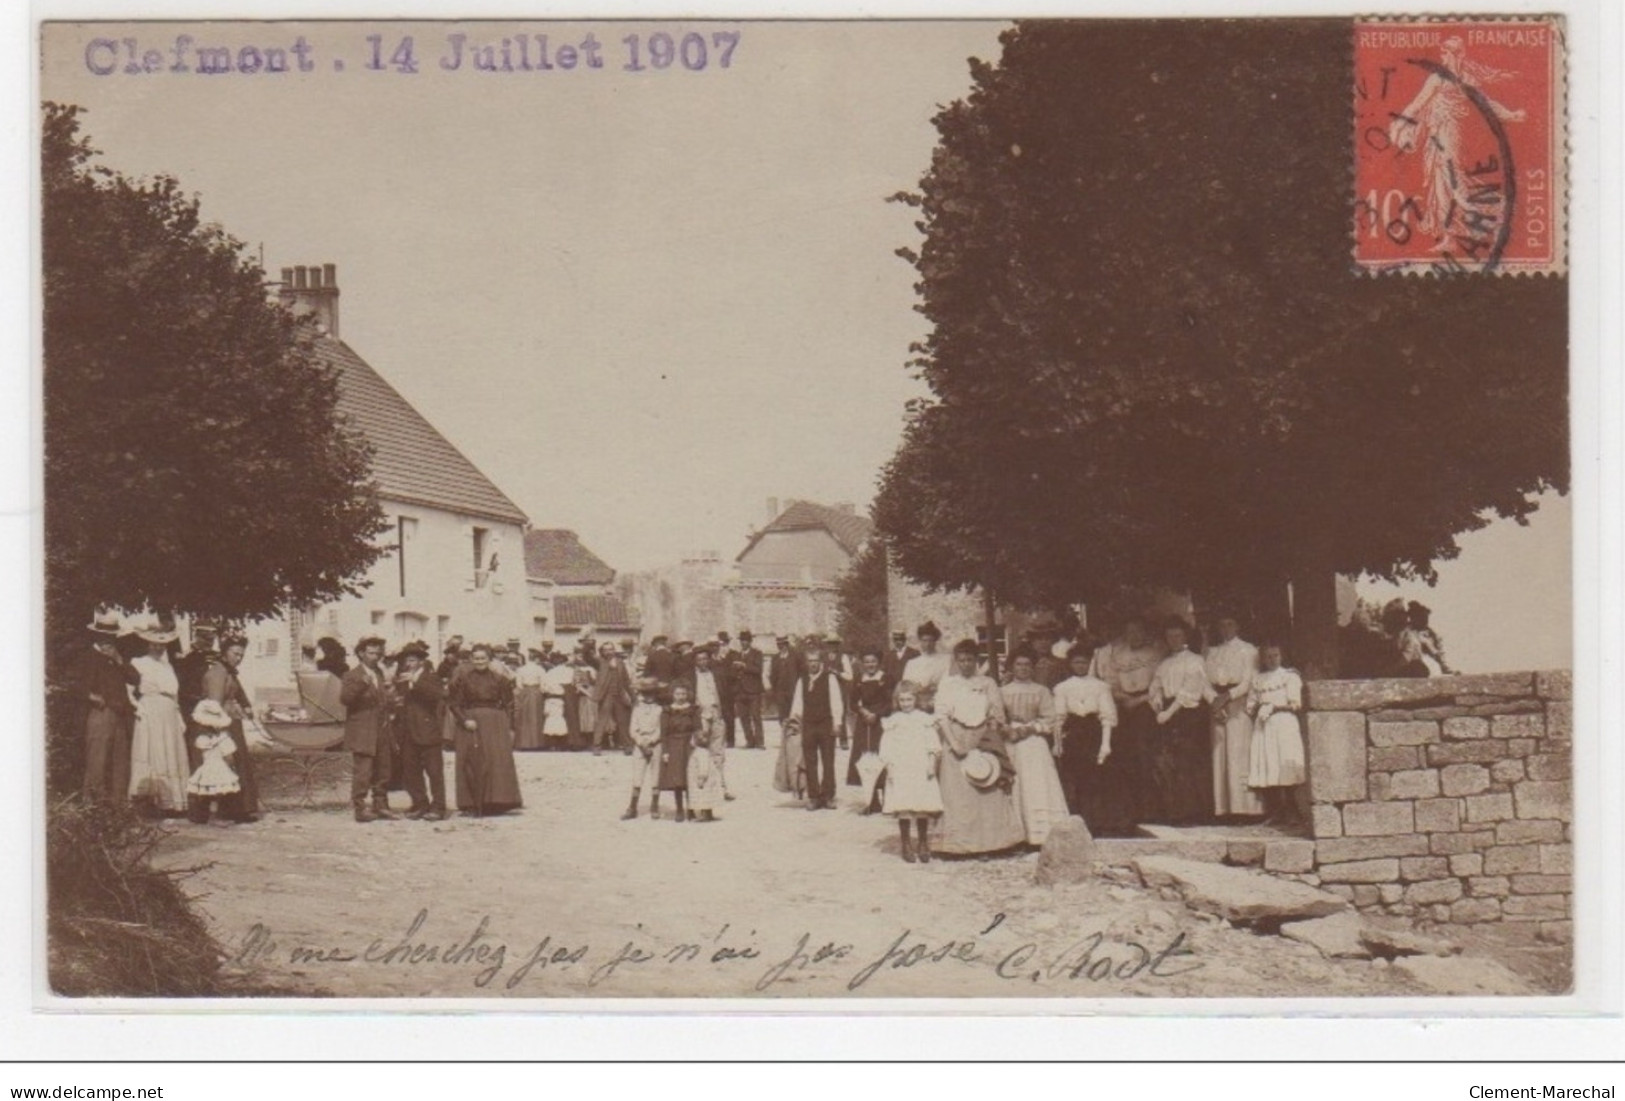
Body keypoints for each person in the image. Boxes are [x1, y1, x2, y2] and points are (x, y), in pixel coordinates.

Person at [933, 640, 1024, 855]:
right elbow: (942, 716)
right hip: (955, 736)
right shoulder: (948, 684)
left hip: (982, 736)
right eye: (961, 660)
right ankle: (959, 845)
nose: (965, 664)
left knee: (986, 788)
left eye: (970, 659)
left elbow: (996, 714)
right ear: (956, 661)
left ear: (977, 660)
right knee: (958, 793)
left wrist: (987, 739)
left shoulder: (987, 683)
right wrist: (954, 743)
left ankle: (990, 844)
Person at [1089, 616, 1165, 825]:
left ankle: (1152, 810)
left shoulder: (1155, 653)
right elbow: (1112, 683)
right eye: (1130, 632)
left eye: (1138, 631)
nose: (1135, 636)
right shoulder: (1118, 655)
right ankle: (1131, 810)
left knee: (1146, 756)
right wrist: (1124, 699)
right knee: (1125, 757)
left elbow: (1159, 681)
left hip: (1146, 706)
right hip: (1123, 705)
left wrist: (1141, 699)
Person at [1052, 645, 1130, 836]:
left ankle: (1099, 822)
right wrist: (1057, 743)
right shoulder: (1062, 688)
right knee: (1075, 778)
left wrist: (1106, 744)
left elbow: (1108, 716)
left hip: (1093, 733)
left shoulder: (1101, 686)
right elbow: (1058, 718)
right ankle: (1078, 821)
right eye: (1077, 662)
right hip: (1073, 734)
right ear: (1070, 664)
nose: (1081, 666)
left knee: (1098, 778)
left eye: (1084, 662)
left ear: (1090, 663)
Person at [1149, 618, 1215, 826]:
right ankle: (1174, 811)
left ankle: (1194, 812)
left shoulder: (1195, 660)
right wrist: (1157, 699)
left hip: (1188, 715)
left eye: (1177, 635)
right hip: (1168, 712)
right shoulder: (1164, 663)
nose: (1174, 640)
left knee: (1189, 763)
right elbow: (1156, 686)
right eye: (1169, 637)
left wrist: (1168, 713)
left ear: (1185, 636)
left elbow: (1190, 690)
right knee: (1168, 763)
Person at [1000, 649, 1070, 846]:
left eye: (1027, 665)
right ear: (1012, 667)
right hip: (1012, 740)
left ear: (1032, 668)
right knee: (1015, 783)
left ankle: (1039, 834)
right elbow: (997, 717)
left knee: (1036, 784)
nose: (1023, 669)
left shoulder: (1041, 690)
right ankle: (1015, 835)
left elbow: (1050, 719)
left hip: (1034, 742)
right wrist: (1007, 730)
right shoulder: (1003, 691)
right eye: (1019, 665)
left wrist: (1030, 729)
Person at [448, 643, 524, 815]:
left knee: (496, 760)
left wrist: (510, 726)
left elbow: (509, 704)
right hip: (471, 723)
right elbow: (454, 704)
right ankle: (471, 802)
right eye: (476, 658)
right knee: (471, 761)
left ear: (489, 660)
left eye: (483, 658)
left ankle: (498, 801)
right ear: (471, 660)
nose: (479, 661)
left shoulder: (500, 679)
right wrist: (464, 719)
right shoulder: (463, 679)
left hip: (495, 723)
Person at [127, 620, 189, 815]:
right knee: (153, 752)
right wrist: (138, 707)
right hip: (151, 710)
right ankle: (151, 801)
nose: (159, 647)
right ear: (147, 643)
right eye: (154, 643)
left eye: (162, 644)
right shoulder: (139, 663)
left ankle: (172, 802)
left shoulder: (167, 666)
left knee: (170, 751)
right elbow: (128, 690)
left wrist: (178, 716)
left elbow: (175, 694)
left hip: (169, 711)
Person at [1205, 614, 1263, 819]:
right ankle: (1224, 809)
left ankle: (1246, 809)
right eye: (1222, 624)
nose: (1226, 628)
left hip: (1238, 702)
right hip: (1217, 705)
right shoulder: (1213, 652)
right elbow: (1204, 680)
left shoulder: (1249, 650)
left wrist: (1228, 696)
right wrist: (1214, 700)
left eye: (1230, 623)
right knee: (1220, 754)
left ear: (1238, 625)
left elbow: (1249, 680)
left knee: (1239, 754)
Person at [877, 682, 942, 863]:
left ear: (916, 699)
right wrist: (889, 766)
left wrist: (931, 762)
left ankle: (922, 842)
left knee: (922, 804)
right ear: (897, 701)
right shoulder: (894, 720)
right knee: (904, 804)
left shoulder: (924, 719)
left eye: (909, 699)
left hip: (920, 764)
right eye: (902, 700)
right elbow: (887, 746)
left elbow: (932, 743)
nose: (906, 703)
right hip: (901, 765)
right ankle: (906, 843)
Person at [77, 612, 137, 803]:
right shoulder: (88, 656)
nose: (107, 640)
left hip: (120, 713)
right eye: (103, 636)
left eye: (111, 636)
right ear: (96, 636)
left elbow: (135, 679)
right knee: (97, 758)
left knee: (120, 759)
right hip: (101, 713)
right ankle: (93, 804)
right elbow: (77, 686)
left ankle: (117, 804)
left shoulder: (116, 657)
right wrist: (93, 697)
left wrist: (119, 659)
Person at [1246, 642, 1307, 826]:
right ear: (1262, 659)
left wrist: (1275, 706)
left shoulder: (1289, 676)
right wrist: (1260, 707)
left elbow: (1296, 704)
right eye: (1268, 656)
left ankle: (1292, 810)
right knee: (1269, 763)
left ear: (1281, 657)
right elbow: (1250, 704)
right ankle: (1277, 811)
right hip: (1265, 725)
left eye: (1276, 656)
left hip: (1284, 723)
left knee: (1286, 762)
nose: (1272, 660)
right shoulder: (1258, 679)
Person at [200, 635, 258, 823]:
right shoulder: (218, 673)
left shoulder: (229, 672)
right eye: (235, 653)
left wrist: (246, 706)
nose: (239, 657)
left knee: (238, 763)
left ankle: (240, 809)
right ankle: (226, 811)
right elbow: (214, 704)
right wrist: (218, 731)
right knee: (226, 764)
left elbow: (238, 692)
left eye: (241, 654)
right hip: (223, 723)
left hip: (233, 721)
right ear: (224, 653)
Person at [341, 637, 398, 822]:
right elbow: (346, 699)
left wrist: (392, 699)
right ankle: (360, 809)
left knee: (383, 769)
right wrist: (362, 683)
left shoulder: (380, 673)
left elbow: (382, 700)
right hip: (363, 730)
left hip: (381, 729)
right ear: (361, 654)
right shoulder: (352, 675)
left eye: (378, 653)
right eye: (371, 653)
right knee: (363, 771)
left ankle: (381, 806)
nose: (375, 657)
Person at [392, 641, 448, 820]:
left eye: (412, 660)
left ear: (421, 662)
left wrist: (415, 681)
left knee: (434, 771)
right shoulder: (402, 678)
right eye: (406, 661)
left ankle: (438, 807)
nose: (409, 664)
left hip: (427, 730)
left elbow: (436, 695)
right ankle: (420, 803)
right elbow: (401, 701)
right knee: (411, 771)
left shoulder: (431, 677)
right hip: (407, 731)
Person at [785, 644, 845, 810]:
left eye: (815, 661)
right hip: (809, 725)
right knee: (810, 761)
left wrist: (837, 723)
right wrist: (794, 722)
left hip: (826, 724)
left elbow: (836, 701)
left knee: (828, 760)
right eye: (810, 661)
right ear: (806, 662)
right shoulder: (802, 680)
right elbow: (797, 703)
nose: (812, 664)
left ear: (820, 662)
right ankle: (813, 796)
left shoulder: (829, 678)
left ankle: (828, 796)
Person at [682, 646, 733, 801]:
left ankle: (721, 787)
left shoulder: (717, 674)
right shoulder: (689, 677)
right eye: (699, 659)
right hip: (701, 716)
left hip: (717, 714)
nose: (703, 662)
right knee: (700, 752)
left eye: (705, 659)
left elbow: (726, 694)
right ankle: (700, 787)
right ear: (695, 662)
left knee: (718, 752)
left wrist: (725, 713)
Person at [846, 650, 892, 811]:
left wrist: (876, 714)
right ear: (862, 664)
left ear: (878, 662)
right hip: (864, 724)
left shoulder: (885, 678)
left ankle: (888, 800)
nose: (870, 665)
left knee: (882, 756)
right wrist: (863, 711)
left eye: (873, 661)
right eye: (866, 662)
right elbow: (852, 702)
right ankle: (871, 801)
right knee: (866, 759)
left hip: (881, 723)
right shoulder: (859, 679)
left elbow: (890, 702)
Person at [186, 700, 241, 823]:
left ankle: (204, 815)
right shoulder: (223, 738)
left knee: (208, 793)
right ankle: (216, 816)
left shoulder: (202, 738)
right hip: (220, 767)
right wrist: (231, 766)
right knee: (219, 794)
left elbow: (200, 754)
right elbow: (229, 756)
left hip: (207, 767)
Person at [621, 678, 665, 820]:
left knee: (656, 776)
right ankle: (632, 807)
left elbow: (661, 729)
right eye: (645, 694)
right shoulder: (637, 709)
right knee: (637, 777)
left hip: (655, 744)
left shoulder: (659, 709)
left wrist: (651, 741)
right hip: (640, 745)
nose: (648, 697)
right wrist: (641, 742)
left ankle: (654, 806)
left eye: (651, 693)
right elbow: (633, 729)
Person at [655, 682, 699, 824]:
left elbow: (698, 728)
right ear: (673, 695)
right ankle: (679, 809)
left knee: (691, 778)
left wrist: (695, 739)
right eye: (678, 694)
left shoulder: (693, 710)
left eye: (683, 694)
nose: (681, 697)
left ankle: (691, 809)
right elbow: (664, 733)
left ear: (688, 695)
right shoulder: (667, 711)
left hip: (689, 745)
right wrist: (665, 751)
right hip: (674, 745)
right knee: (678, 779)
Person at [590, 641, 633, 755]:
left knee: (623, 721)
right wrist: (588, 641)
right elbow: (587, 655)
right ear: (602, 652)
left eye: (611, 649)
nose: (609, 652)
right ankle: (596, 746)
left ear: (614, 650)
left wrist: (632, 695)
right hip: (606, 696)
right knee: (602, 721)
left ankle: (627, 746)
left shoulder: (620, 662)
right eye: (606, 650)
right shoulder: (600, 662)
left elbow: (626, 680)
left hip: (619, 694)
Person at [900, 621, 951, 711]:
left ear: (935, 641)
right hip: (917, 705)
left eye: (931, 640)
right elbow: (906, 686)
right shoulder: (912, 663)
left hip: (940, 702)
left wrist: (934, 688)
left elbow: (949, 683)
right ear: (920, 641)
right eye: (924, 640)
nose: (927, 644)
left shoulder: (946, 660)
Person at [731, 629, 766, 749]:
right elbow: (732, 672)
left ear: (750, 641)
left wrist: (744, 666)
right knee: (743, 717)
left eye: (746, 640)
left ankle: (760, 742)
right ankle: (750, 741)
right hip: (740, 691)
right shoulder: (736, 654)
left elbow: (758, 670)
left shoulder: (757, 654)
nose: (744, 643)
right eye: (742, 641)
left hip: (753, 690)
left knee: (756, 716)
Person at [512, 648, 547, 751]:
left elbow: (519, 684)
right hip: (536, 692)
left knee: (524, 717)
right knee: (536, 717)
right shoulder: (540, 669)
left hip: (525, 692)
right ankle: (537, 743)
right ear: (536, 659)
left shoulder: (521, 669)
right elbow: (543, 685)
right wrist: (541, 691)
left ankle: (524, 743)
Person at [541, 652, 573, 749]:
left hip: (551, 698)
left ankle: (552, 743)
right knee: (564, 719)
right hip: (564, 697)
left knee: (551, 719)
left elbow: (543, 688)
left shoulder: (550, 673)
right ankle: (564, 742)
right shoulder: (570, 671)